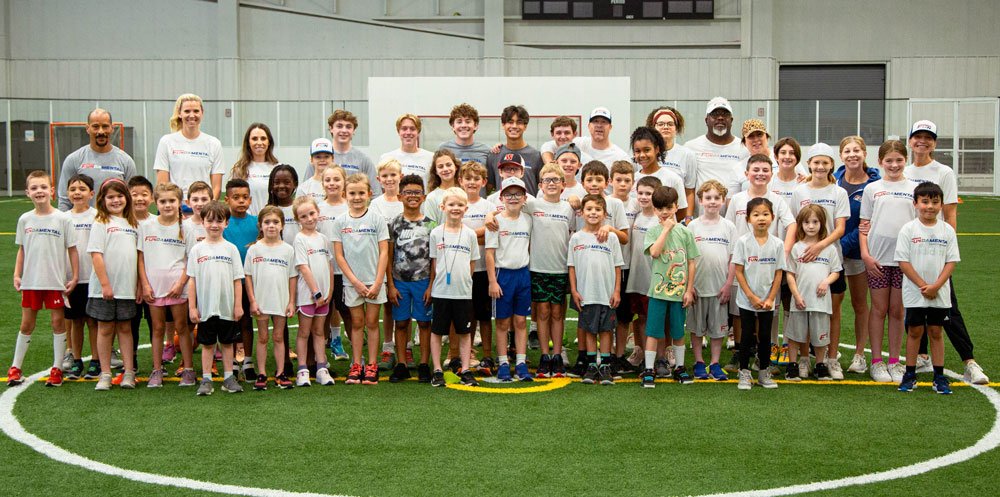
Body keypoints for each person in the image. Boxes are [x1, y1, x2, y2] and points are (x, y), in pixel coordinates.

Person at [904, 120, 988, 385]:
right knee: (915, 305)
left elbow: (950, 215)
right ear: (910, 141)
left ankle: (969, 362)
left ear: (935, 143)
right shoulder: (903, 171)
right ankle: (922, 355)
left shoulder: (944, 172)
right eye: (918, 136)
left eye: (928, 138)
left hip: (936, 251)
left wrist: (945, 252)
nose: (922, 141)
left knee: (947, 307)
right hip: (912, 249)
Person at [723, 154, 796, 372]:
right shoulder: (737, 199)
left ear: (771, 174)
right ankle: (740, 352)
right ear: (747, 174)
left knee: (767, 310)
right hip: (741, 264)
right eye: (755, 170)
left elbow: (791, 224)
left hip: (766, 265)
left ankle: (764, 357)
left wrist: (784, 250)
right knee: (739, 312)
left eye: (765, 170)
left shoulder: (777, 199)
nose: (760, 174)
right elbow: (728, 227)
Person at [9, 171, 79, 388]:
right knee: (26, 324)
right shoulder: (25, 219)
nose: (39, 191)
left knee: (58, 323)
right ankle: (15, 368)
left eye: (43, 187)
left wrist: (74, 276)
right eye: (34, 188)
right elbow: (22, 249)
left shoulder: (63, 219)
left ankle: (57, 369)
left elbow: (72, 250)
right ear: (28, 192)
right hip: (31, 281)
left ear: (51, 191)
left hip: (55, 282)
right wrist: (17, 274)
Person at [860, 140, 917, 383]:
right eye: (889, 160)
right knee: (879, 309)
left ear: (906, 160)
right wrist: (866, 255)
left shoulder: (915, 188)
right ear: (880, 162)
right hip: (878, 260)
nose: (894, 165)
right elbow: (864, 226)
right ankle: (876, 361)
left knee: (897, 311)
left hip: (904, 261)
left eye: (899, 160)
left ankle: (895, 361)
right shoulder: (873, 189)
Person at [791, 143, 850, 380]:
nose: (820, 167)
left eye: (825, 162)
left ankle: (830, 359)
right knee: (805, 310)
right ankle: (804, 359)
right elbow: (796, 224)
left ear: (832, 165)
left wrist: (819, 246)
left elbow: (840, 228)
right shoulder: (799, 192)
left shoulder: (839, 193)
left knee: (830, 312)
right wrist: (805, 249)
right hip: (804, 262)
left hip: (829, 259)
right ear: (809, 164)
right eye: (816, 162)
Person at [895, 182, 959, 394]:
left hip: (939, 293)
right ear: (915, 204)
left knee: (936, 331)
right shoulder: (908, 229)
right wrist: (924, 286)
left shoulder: (947, 230)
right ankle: (910, 374)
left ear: (941, 204)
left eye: (934, 202)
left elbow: (951, 261)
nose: (929, 206)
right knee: (914, 331)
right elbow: (903, 261)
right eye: (924, 201)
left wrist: (936, 286)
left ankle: (939, 376)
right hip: (915, 293)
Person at [332, 174, 390, 386]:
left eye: (361, 193)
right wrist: (355, 282)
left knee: (372, 323)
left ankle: (372, 365)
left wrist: (377, 282)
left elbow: (384, 252)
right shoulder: (340, 221)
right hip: (352, 283)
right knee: (356, 323)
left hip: (375, 282)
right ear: (345, 195)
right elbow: (339, 256)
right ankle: (357, 365)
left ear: (369, 194)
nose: (357, 197)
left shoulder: (376, 219)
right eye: (352, 193)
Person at [638, 186, 698, 388]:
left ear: (676, 206)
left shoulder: (685, 233)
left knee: (678, 333)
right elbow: (654, 252)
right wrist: (665, 229)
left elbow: (691, 262)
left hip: (679, 292)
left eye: (669, 207)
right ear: (654, 209)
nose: (664, 212)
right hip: (657, 291)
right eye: (660, 208)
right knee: (654, 331)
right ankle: (648, 369)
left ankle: (680, 367)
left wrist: (689, 289)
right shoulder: (654, 230)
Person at [138, 183, 194, 388]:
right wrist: (144, 284)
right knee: (158, 328)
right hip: (154, 288)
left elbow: (190, 259)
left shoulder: (185, 227)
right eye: (163, 201)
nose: (167, 205)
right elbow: (141, 258)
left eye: (172, 201)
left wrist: (181, 284)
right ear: (156, 202)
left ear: (180, 202)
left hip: (177, 288)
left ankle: (188, 369)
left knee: (182, 327)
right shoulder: (146, 226)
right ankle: (157, 369)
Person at [187, 201, 245, 396]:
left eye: (219, 221)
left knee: (227, 343)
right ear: (202, 222)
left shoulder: (231, 249)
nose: (214, 224)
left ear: (226, 223)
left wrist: (237, 305)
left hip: (227, 307)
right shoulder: (197, 250)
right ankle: (206, 379)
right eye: (210, 220)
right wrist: (192, 307)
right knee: (208, 343)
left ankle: (229, 377)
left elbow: (238, 280)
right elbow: (192, 281)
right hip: (206, 307)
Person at [87, 178, 138, 391]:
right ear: (102, 200)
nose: (116, 200)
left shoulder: (134, 224)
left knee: (125, 328)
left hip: (127, 288)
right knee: (105, 329)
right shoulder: (101, 222)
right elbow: (96, 255)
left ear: (127, 198)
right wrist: (106, 284)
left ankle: (128, 372)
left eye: (120, 196)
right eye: (111, 197)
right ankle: (105, 372)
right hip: (104, 289)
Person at [835, 135, 879, 375]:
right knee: (834, 304)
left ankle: (860, 355)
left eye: (857, 150)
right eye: (847, 151)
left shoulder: (875, 185)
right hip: (834, 253)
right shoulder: (834, 181)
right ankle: (832, 351)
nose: (852, 155)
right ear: (841, 156)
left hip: (860, 253)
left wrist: (843, 244)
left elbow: (867, 225)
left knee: (860, 303)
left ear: (864, 154)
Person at [428, 187, 481, 387]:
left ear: (466, 208)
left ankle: (466, 369)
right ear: (443, 207)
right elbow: (434, 263)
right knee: (437, 331)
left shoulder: (470, 235)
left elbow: (472, 263)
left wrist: (465, 281)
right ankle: (437, 370)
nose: (455, 208)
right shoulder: (435, 233)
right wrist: (434, 285)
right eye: (451, 204)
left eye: (460, 205)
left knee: (464, 332)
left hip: (463, 293)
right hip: (441, 291)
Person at [570, 194, 625, 386]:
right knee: (589, 330)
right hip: (586, 294)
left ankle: (606, 366)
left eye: (598, 209)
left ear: (604, 214)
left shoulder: (611, 238)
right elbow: (572, 266)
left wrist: (617, 291)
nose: (593, 213)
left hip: (607, 294)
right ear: (582, 212)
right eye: (589, 209)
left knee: (606, 330)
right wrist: (574, 290)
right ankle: (592, 364)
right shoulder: (576, 237)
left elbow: (618, 266)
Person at [685, 180, 736, 382]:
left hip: (719, 289)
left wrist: (728, 285)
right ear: (700, 201)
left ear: (723, 201)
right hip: (697, 287)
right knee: (697, 329)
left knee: (717, 330)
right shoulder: (692, 227)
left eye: (717, 198)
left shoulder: (729, 227)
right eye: (708, 198)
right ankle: (699, 362)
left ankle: (714, 363)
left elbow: (734, 259)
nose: (712, 202)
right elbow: (687, 258)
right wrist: (690, 286)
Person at [386, 174, 435, 383]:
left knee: (424, 324)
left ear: (423, 197)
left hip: (423, 281)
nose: (412, 196)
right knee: (402, 322)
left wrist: (431, 285)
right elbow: (387, 256)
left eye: (417, 192)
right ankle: (401, 365)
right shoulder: (394, 224)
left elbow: (435, 258)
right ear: (400, 196)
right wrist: (390, 285)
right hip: (400, 282)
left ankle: (424, 364)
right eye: (408, 192)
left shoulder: (431, 225)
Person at [527, 164, 574, 378]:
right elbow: (504, 200)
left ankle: (557, 355)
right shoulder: (533, 204)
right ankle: (545, 356)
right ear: (540, 185)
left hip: (561, 269)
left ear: (563, 185)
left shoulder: (568, 208)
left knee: (558, 313)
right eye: (547, 180)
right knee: (543, 312)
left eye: (556, 180)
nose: (552, 183)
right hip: (538, 268)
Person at [785, 205, 842, 381]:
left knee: (820, 336)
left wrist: (826, 282)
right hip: (800, 301)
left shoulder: (829, 249)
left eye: (815, 222)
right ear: (800, 225)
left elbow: (836, 271)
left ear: (822, 224)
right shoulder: (796, 248)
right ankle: (793, 365)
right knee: (795, 335)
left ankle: (820, 365)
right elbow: (790, 274)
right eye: (806, 222)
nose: (810, 226)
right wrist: (796, 295)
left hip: (821, 301)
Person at [485, 177, 534, 382]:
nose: (513, 198)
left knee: (521, 321)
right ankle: (504, 362)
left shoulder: (528, 219)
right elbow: (489, 253)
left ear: (524, 198)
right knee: (503, 322)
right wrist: (492, 281)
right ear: (501, 197)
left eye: (517, 194)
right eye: (508, 194)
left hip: (523, 274)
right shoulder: (495, 221)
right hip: (502, 275)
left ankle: (521, 363)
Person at [732, 197, 784, 390]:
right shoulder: (743, 243)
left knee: (765, 335)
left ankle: (763, 371)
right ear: (748, 218)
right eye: (756, 214)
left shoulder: (777, 244)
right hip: (747, 300)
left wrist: (770, 298)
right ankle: (744, 373)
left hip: (767, 301)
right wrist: (751, 297)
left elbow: (779, 273)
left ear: (772, 217)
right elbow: (738, 271)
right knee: (746, 335)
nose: (761, 218)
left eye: (765, 214)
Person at [244, 206, 297, 390]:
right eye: (267, 222)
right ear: (260, 226)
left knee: (278, 337)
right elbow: (248, 277)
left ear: (282, 225)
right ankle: (262, 373)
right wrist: (252, 301)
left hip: (281, 301)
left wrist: (291, 302)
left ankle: (280, 373)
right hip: (261, 301)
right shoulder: (254, 250)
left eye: (275, 222)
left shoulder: (288, 250)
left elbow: (292, 277)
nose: (271, 226)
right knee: (263, 337)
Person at [291, 196, 334, 387]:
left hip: (323, 298)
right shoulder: (299, 239)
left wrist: (329, 291)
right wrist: (316, 292)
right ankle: (302, 370)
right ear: (298, 219)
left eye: (311, 213)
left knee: (319, 332)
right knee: (304, 333)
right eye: (303, 216)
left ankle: (321, 368)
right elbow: (303, 267)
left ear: (318, 213)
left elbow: (329, 266)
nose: (309, 218)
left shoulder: (324, 239)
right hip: (308, 296)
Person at [458, 161, 496, 376]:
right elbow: (454, 232)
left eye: (476, 179)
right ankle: (468, 352)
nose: (472, 182)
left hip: (483, 269)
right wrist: (477, 237)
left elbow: (491, 236)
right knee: (468, 314)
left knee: (485, 315)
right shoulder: (456, 203)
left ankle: (488, 354)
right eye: (468, 178)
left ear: (483, 182)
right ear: (461, 181)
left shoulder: (488, 207)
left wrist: (469, 237)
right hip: (462, 271)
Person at [56, 108, 136, 211]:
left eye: (105, 126)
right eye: (95, 126)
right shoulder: (73, 160)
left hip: (115, 225)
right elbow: (64, 200)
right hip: (83, 226)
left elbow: (131, 199)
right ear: (87, 128)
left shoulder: (126, 161)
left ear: (112, 128)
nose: (101, 131)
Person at [622, 175, 661, 372]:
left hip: (653, 279)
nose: (644, 197)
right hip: (635, 277)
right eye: (641, 193)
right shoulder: (636, 215)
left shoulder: (660, 219)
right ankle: (641, 352)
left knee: (654, 319)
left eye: (649, 194)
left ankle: (656, 358)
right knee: (640, 318)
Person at [154, 94, 224, 199]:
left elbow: (216, 187)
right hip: (176, 208)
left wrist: (207, 210)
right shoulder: (166, 142)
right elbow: (162, 185)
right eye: (187, 111)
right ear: (179, 113)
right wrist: (175, 208)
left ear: (202, 113)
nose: (192, 115)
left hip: (203, 209)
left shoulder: (214, 143)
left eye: (196, 111)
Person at [222, 179, 259, 381]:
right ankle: (231, 363)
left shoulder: (256, 222)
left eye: (245, 197)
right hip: (228, 282)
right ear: (227, 199)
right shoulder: (223, 223)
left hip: (249, 283)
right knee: (229, 322)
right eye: (236, 198)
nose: (241, 201)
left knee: (246, 322)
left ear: (250, 199)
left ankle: (247, 361)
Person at [63, 175, 97, 380]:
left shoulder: (98, 217)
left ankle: (96, 361)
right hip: (71, 279)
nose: (77, 192)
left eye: (82, 189)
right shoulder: (63, 218)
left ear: (91, 194)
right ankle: (76, 360)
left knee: (93, 321)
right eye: (73, 189)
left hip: (92, 278)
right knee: (76, 322)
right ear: (67, 193)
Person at [316, 165, 351, 362]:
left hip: (346, 269)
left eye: (336, 179)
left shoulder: (350, 206)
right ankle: (330, 344)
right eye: (328, 180)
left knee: (347, 310)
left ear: (344, 182)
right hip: (325, 269)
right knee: (326, 310)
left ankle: (354, 350)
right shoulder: (318, 209)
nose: (332, 183)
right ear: (322, 184)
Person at [685, 97, 747, 206]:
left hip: (733, 217)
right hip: (700, 218)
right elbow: (688, 186)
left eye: (725, 114)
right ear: (706, 120)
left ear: (731, 120)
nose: (720, 118)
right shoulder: (691, 147)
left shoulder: (744, 148)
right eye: (714, 114)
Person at [303, 110, 379, 195]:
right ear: (331, 128)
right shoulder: (318, 158)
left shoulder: (364, 160)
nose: (344, 130)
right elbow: (306, 189)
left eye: (348, 127)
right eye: (339, 126)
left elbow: (376, 193)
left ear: (353, 130)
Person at [646, 106, 697, 211]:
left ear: (676, 128)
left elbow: (689, 190)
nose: (666, 127)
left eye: (670, 124)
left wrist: (688, 217)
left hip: (675, 213)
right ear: (653, 127)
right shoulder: (644, 153)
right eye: (660, 124)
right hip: (648, 211)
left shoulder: (687, 154)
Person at [630, 126, 688, 217]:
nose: (642, 155)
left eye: (647, 150)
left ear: (657, 149)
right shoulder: (631, 180)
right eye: (637, 151)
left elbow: (681, 213)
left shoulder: (673, 179)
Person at [486, 105, 542, 195]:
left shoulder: (536, 156)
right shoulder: (494, 155)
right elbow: (488, 188)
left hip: (529, 208)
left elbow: (542, 187)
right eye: (510, 122)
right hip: (502, 208)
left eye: (519, 122)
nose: (514, 126)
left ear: (525, 126)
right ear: (503, 125)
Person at [229, 123, 279, 215]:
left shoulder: (277, 168)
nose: (259, 142)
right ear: (248, 143)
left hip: (271, 224)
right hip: (247, 223)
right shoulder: (240, 170)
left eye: (263, 138)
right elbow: (234, 201)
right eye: (254, 139)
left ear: (269, 142)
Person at [379, 113, 434, 183]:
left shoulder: (431, 158)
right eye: (404, 129)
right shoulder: (386, 158)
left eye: (412, 129)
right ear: (398, 131)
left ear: (418, 132)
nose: (408, 132)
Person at [438, 103, 490, 173]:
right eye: (459, 122)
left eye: (468, 121)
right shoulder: (443, 149)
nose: (463, 125)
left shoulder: (486, 151)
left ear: (476, 126)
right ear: (453, 126)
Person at [729, 119, 774, 198]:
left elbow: (802, 180)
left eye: (759, 134)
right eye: (751, 136)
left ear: (766, 137)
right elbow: (732, 202)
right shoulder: (738, 168)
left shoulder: (782, 159)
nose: (756, 139)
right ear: (744, 143)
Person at [422, 149, 461, 225]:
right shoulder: (432, 197)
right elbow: (428, 226)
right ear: (436, 171)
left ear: (456, 167)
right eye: (440, 167)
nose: (445, 169)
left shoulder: (465, 192)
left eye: (449, 165)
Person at [267, 164, 300, 243]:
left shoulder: (300, 208)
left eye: (287, 182)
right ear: (271, 185)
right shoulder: (267, 211)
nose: (281, 186)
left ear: (295, 184)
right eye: (277, 182)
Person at [297, 138, 335, 203]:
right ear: (311, 160)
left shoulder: (340, 185)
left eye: (326, 156)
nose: (322, 160)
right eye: (318, 157)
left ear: (333, 159)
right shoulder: (303, 188)